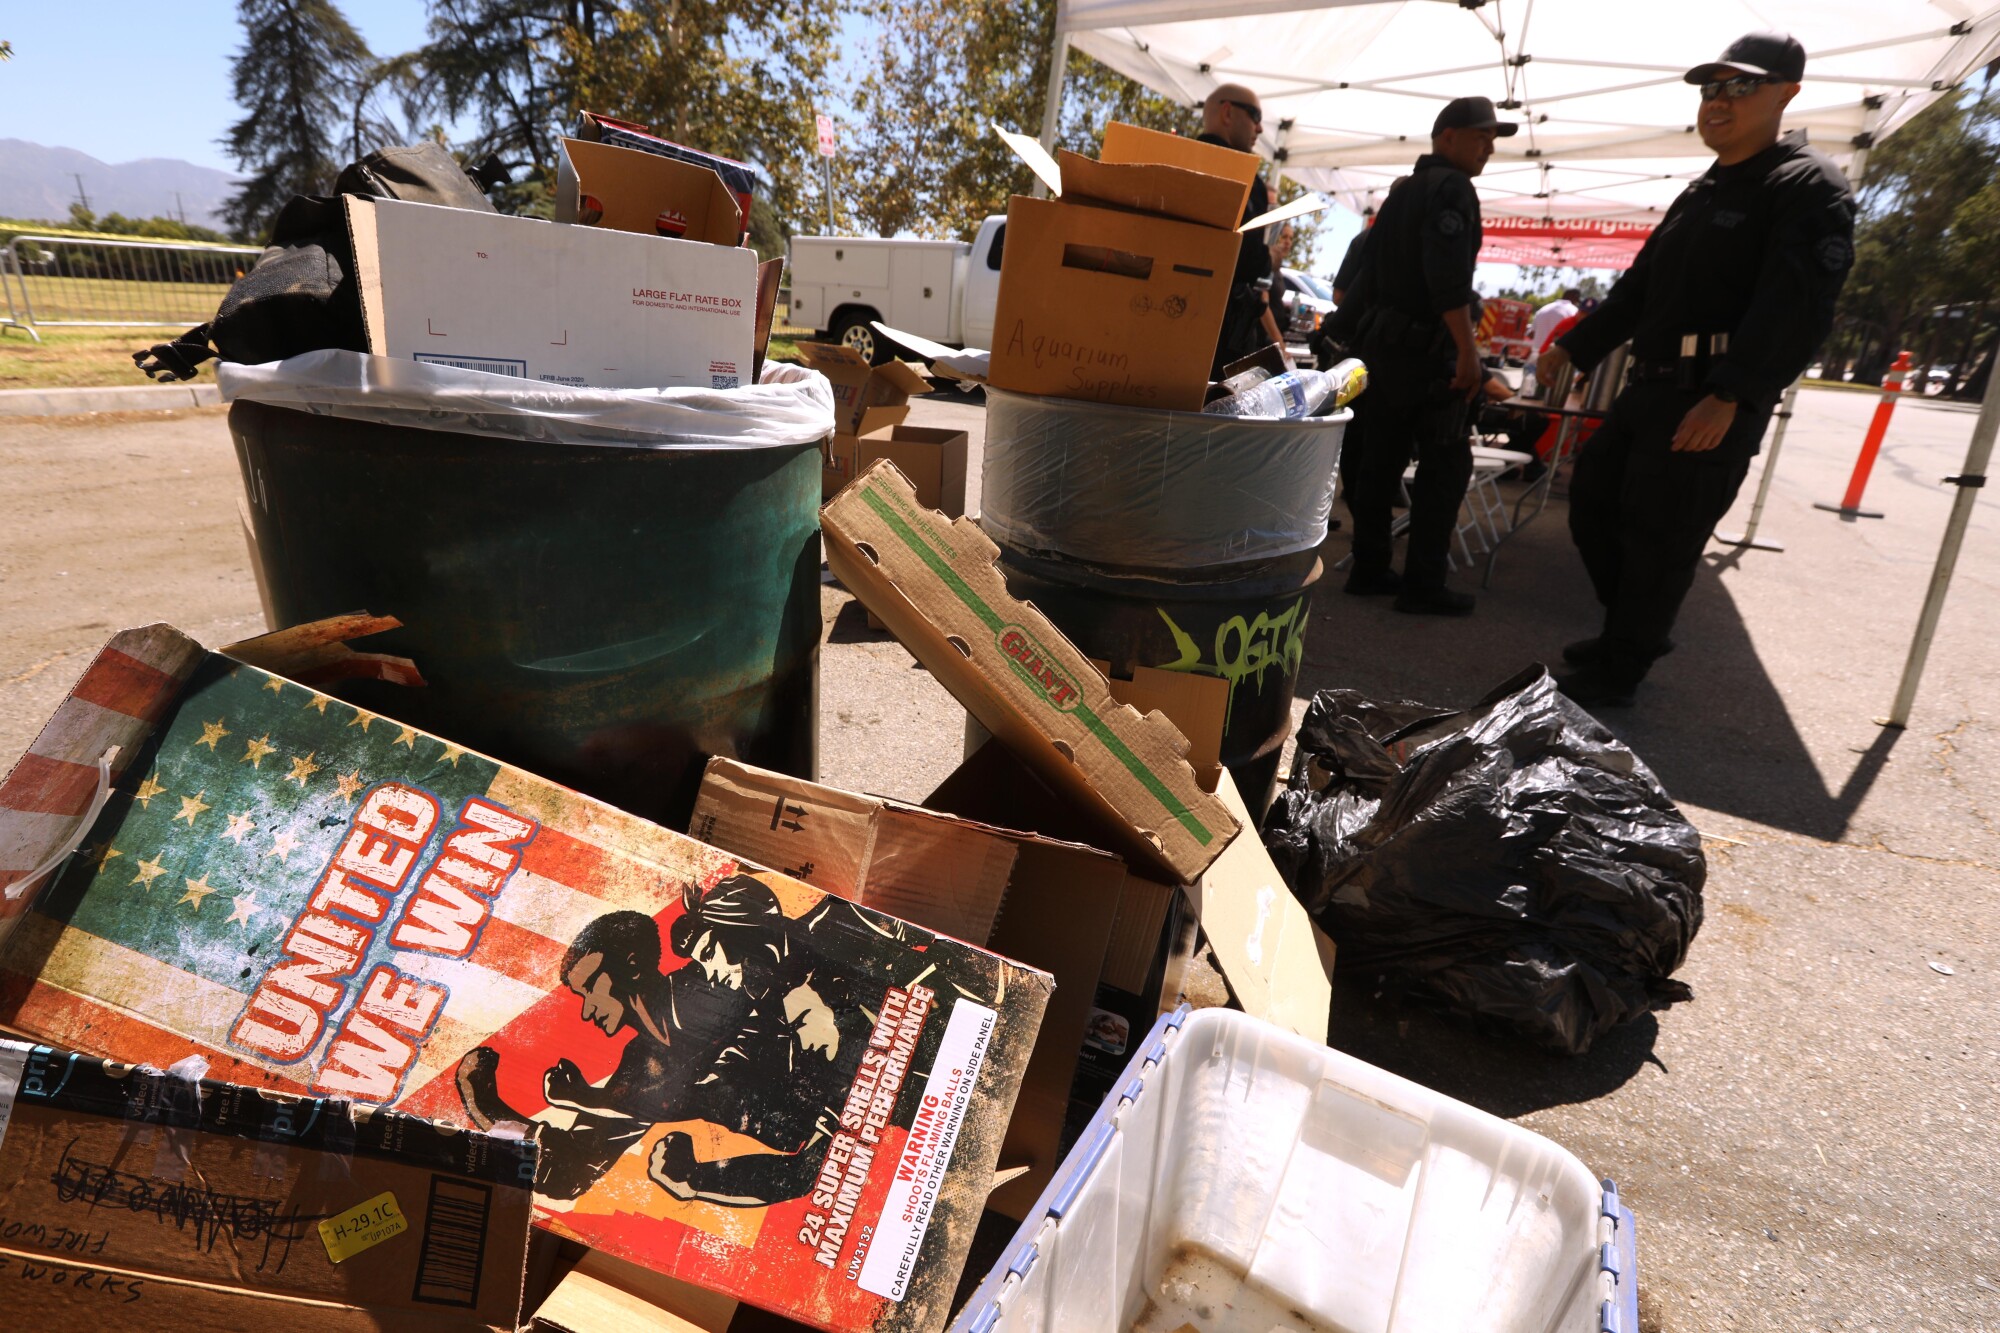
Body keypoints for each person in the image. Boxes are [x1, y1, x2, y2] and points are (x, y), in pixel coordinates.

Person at [1536, 32, 1855, 706]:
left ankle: (1622, 666)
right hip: (1647, 388)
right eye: (1712, 87)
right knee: (1592, 504)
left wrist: (1732, 394)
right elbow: (1639, 288)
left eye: (1741, 86)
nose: (1719, 101)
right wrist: (1577, 345)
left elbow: (1794, 310)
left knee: (1660, 537)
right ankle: (1634, 630)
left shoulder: (1806, 186)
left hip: (1708, 399)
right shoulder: (1704, 188)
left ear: (1787, 94)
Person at [1334, 95, 1516, 614]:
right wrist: (1467, 352)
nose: (1488, 148)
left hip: (1385, 352)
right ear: (1447, 136)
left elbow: (1368, 278)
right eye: (1480, 136)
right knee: (1445, 466)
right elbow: (1446, 279)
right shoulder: (1451, 188)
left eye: (1492, 140)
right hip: (1425, 354)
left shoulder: (1403, 193)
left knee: (1379, 464)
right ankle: (1422, 584)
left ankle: (1369, 569)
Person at [1197, 83, 1287, 372]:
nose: (1260, 129)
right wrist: (1269, 259)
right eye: (1255, 116)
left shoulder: (1180, 159)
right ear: (1227, 112)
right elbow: (1244, 259)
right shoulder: (1244, 177)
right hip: (1220, 336)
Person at [1531, 288, 1581, 357]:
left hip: (1534, 356)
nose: (1576, 303)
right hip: (1554, 359)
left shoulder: (1543, 309)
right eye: (1577, 301)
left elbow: (1532, 334)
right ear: (1575, 297)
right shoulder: (1574, 312)